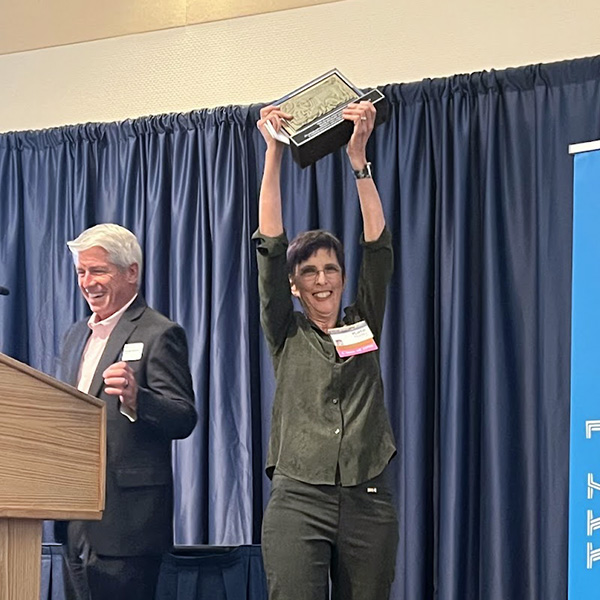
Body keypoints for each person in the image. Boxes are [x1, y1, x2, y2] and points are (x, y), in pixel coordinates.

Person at [254, 101, 399, 600]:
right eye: (309, 272)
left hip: (368, 496)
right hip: (299, 499)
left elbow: (378, 248)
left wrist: (359, 160)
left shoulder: (364, 323)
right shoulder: (285, 332)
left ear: (342, 277)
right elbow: (269, 244)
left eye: (331, 269)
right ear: (294, 285)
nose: (321, 280)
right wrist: (273, 154)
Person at [55, 223, 197, 600]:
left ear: (131, 272)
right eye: (81, 272)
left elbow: (184, 416)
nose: (87, 282)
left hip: (128, 525)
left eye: (98, 270)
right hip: (74, 519)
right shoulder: (74, 336)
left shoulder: (159, 333)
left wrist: (139, 399)